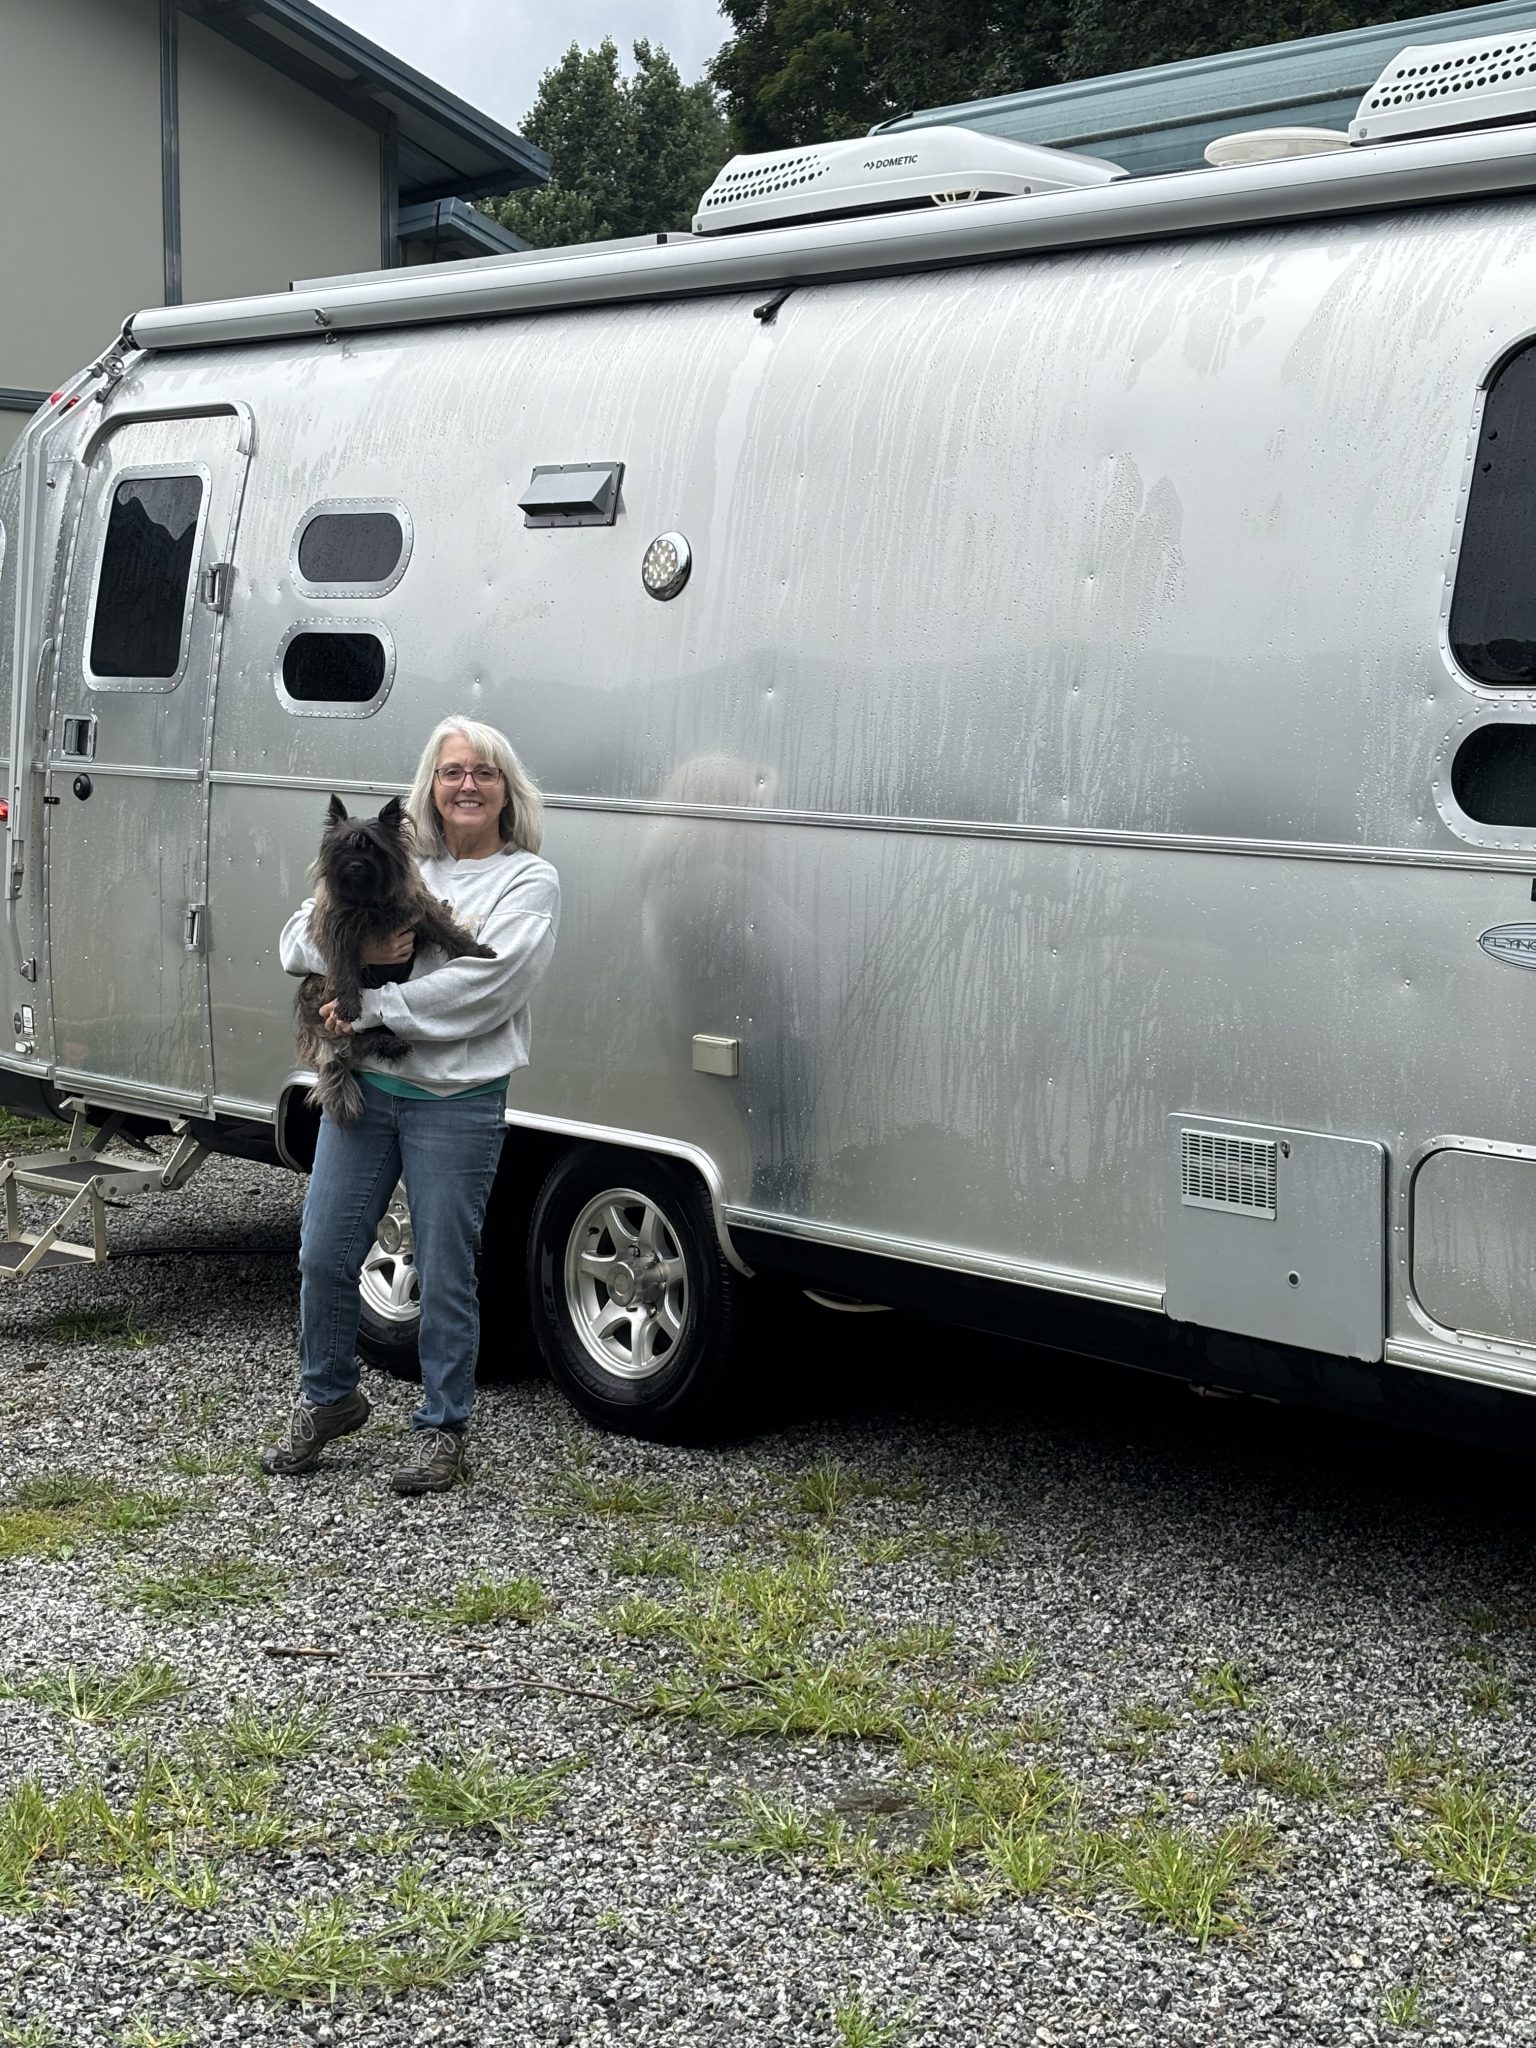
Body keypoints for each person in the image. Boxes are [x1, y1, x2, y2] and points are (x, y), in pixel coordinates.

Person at [262, 715, 560, 1495]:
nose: (467, 786)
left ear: (507, 791)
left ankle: (442, 1427)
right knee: (324, 1253)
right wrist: (361, 955)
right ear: (432, 786)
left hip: (456, 1101)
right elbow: (296, 939)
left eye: (484, 773)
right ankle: (329, 1398)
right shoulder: (395, 852)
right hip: (366, 1089)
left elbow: (487, 986)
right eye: (452, 771)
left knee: (445, 1270)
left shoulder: (528, 880)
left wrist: (371, 1008)